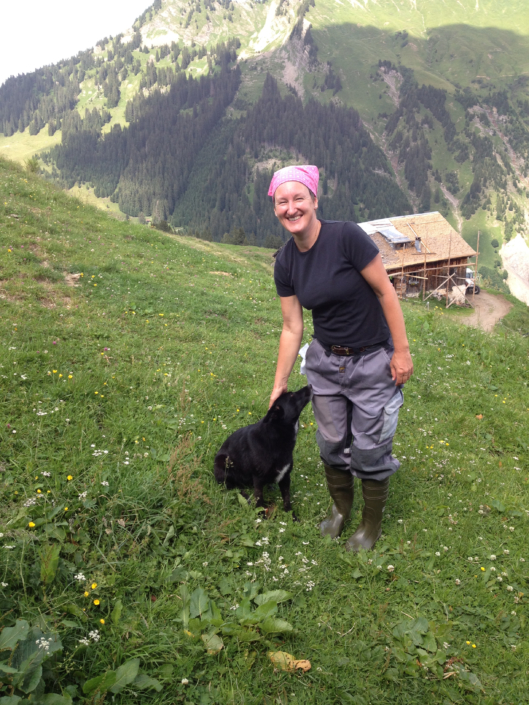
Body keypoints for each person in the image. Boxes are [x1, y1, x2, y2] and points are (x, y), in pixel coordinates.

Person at [269, 165, 413, 551]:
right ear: (275, 208)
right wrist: (280, 383)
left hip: (372, 361)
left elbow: (386, 293)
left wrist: (401, 352)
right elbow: (291, 326)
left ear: (315, 201)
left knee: (370, 449)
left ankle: (370, 525)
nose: (291, 208)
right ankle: (340, 511)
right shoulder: (286, 262)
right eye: (282, 202)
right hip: (326, 363)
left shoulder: (347, 237)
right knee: (331, 444)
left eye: (299, 198)